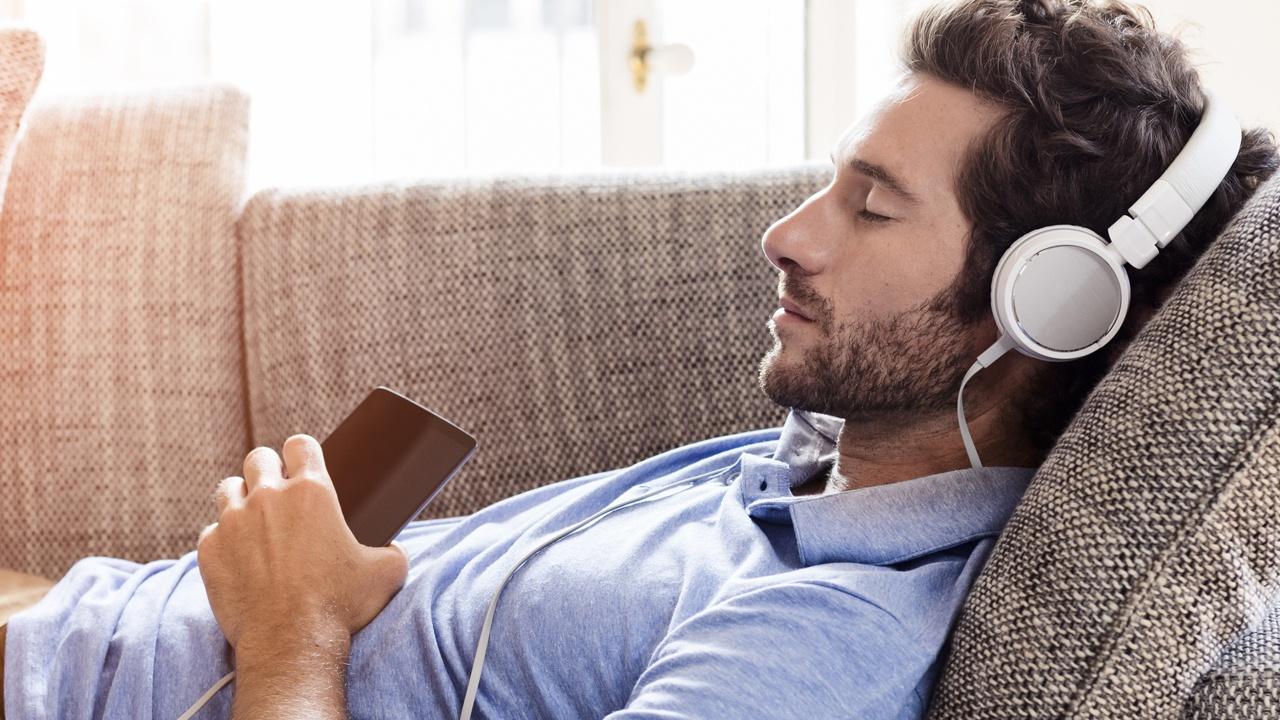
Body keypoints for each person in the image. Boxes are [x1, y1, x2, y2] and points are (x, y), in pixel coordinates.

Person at [3, 1, 1277, 718]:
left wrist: (292, 635)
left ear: (1039, 305)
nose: (786, 237)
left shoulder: (822, 643)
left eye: (872, 207)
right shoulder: (805, 471)